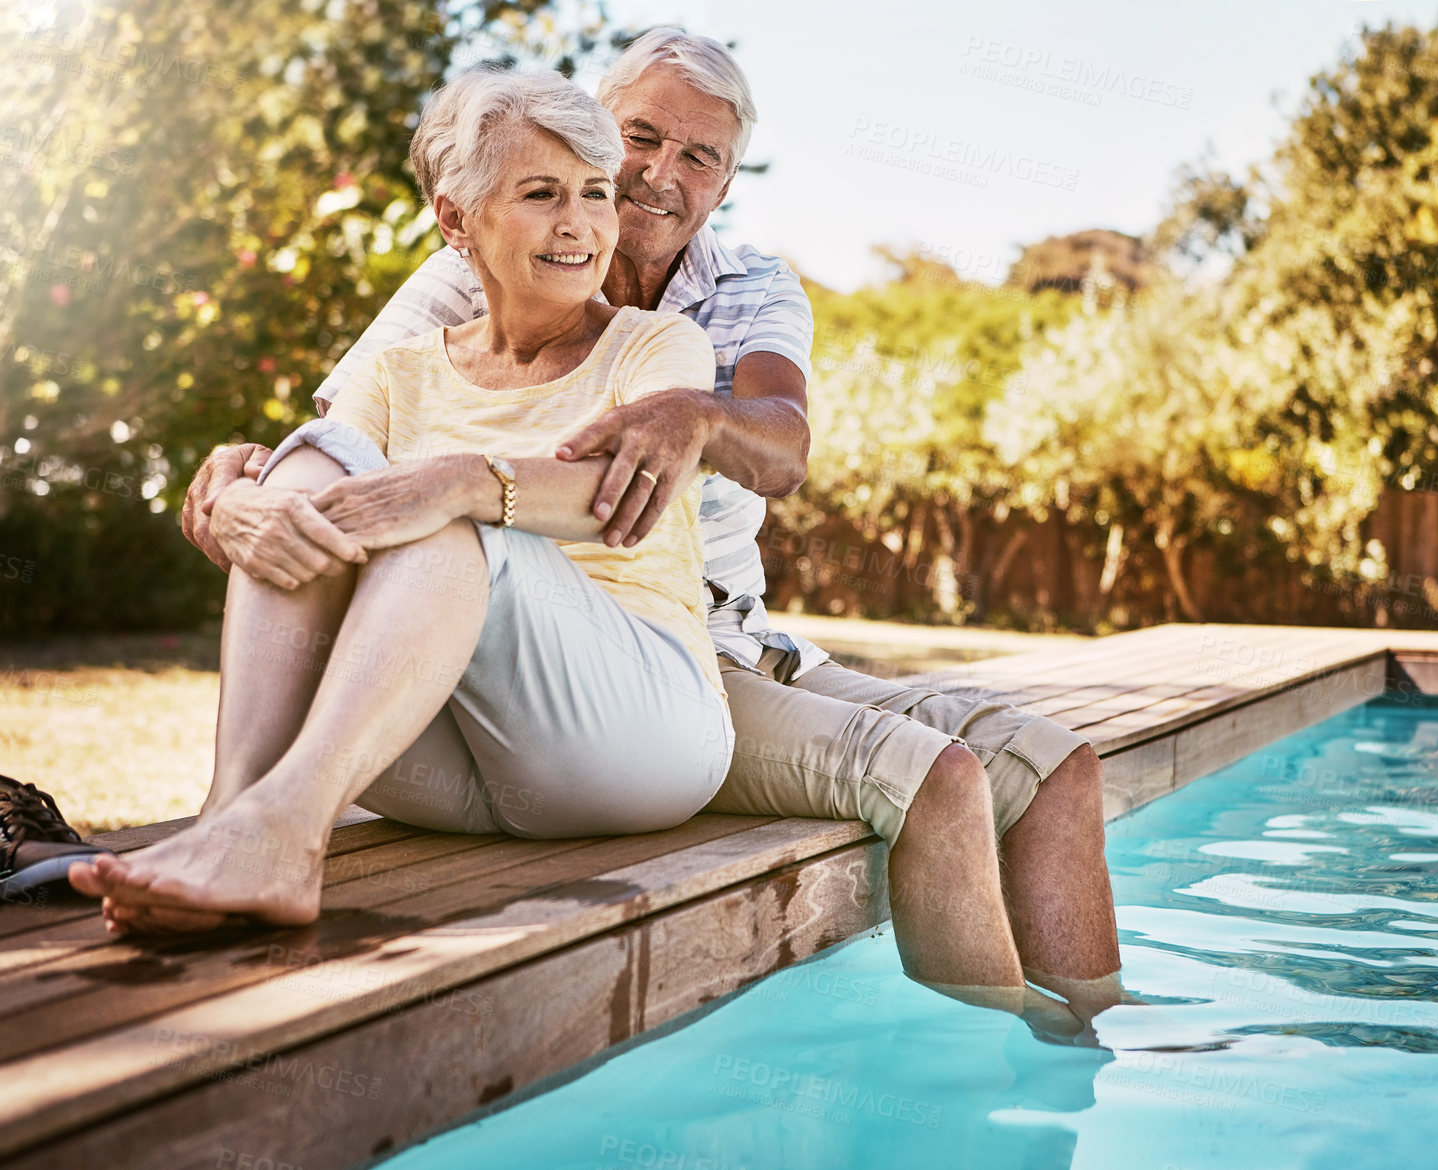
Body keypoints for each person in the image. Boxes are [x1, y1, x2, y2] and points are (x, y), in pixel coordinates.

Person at [181, 30, 1125, 1028]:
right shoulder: (471, 267)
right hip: (571, 654)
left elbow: (783, 448)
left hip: (725, 635)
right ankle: (982, 1070)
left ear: (723, 181)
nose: (656, 175)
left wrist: (699, 415)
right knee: (937, 779)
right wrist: (250, 477)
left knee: (1058, 767)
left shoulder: (739, 290)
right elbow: (339, 441)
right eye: (638, 138)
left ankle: (1089, 1041)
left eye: (699, 156)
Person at [72, 67, 734, 935]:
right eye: (541, 193)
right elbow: (313, 495)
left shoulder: (655, 345)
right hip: (435, 758)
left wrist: (462, 480)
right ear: (456, 219)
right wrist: (242, 502)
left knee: (440, 524)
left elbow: (618, 500)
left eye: (594, 193)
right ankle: (230, 823)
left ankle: (285, 836)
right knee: (313, 467)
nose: (579, 224)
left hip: (633, 739)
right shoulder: (396, 372)